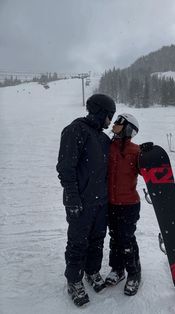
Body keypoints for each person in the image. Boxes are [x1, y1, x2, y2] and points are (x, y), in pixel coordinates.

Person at [56, 94, 116, 307]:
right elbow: (65, 167)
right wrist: (72, 197)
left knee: (98, 239)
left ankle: (92, 271)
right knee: (78, 242)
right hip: (80, 201)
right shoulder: (76, 131)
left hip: (100, 201)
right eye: (109, 116)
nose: (110, 122)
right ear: (101, 112)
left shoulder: (103, 139)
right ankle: (74, 280)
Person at [105, 113, 142, 296]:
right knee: (114, 237)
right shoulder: (108, 147)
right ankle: (118, 269)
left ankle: (134, 273)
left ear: (128, 129)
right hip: (111, 203)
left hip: (129, 204)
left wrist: (149, 157)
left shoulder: (136, 151)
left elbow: (145, 171)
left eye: (119, 124)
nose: (114, 126)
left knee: (126, 239)